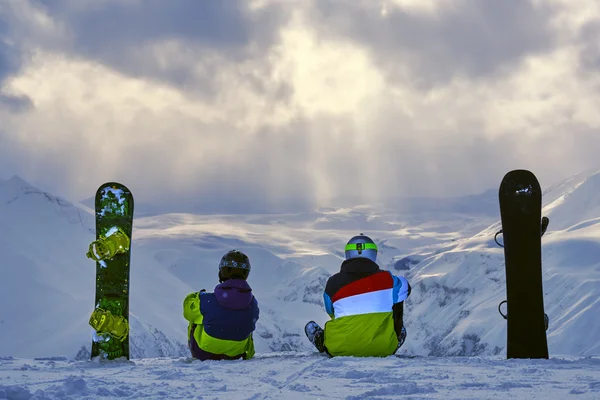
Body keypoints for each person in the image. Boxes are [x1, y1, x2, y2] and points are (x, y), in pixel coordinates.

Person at [305, 234, 411, 357]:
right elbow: (406, 289)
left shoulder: (333, 283)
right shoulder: (389, 280)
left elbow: (331, 312)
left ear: (348, 254)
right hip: (384, 349)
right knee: (398, 303)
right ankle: (390, 341)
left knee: (312, 327)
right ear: (373, 254)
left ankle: (324, 343)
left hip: (339, 349)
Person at [183, 250, 259, 360]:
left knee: (196, 318)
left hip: (204, 353)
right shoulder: (252, 302)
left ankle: (199, 352)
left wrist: (197, 295)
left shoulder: (206, 300)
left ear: (222, 271)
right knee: (244, 319)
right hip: (238, 354)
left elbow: (187, 313)